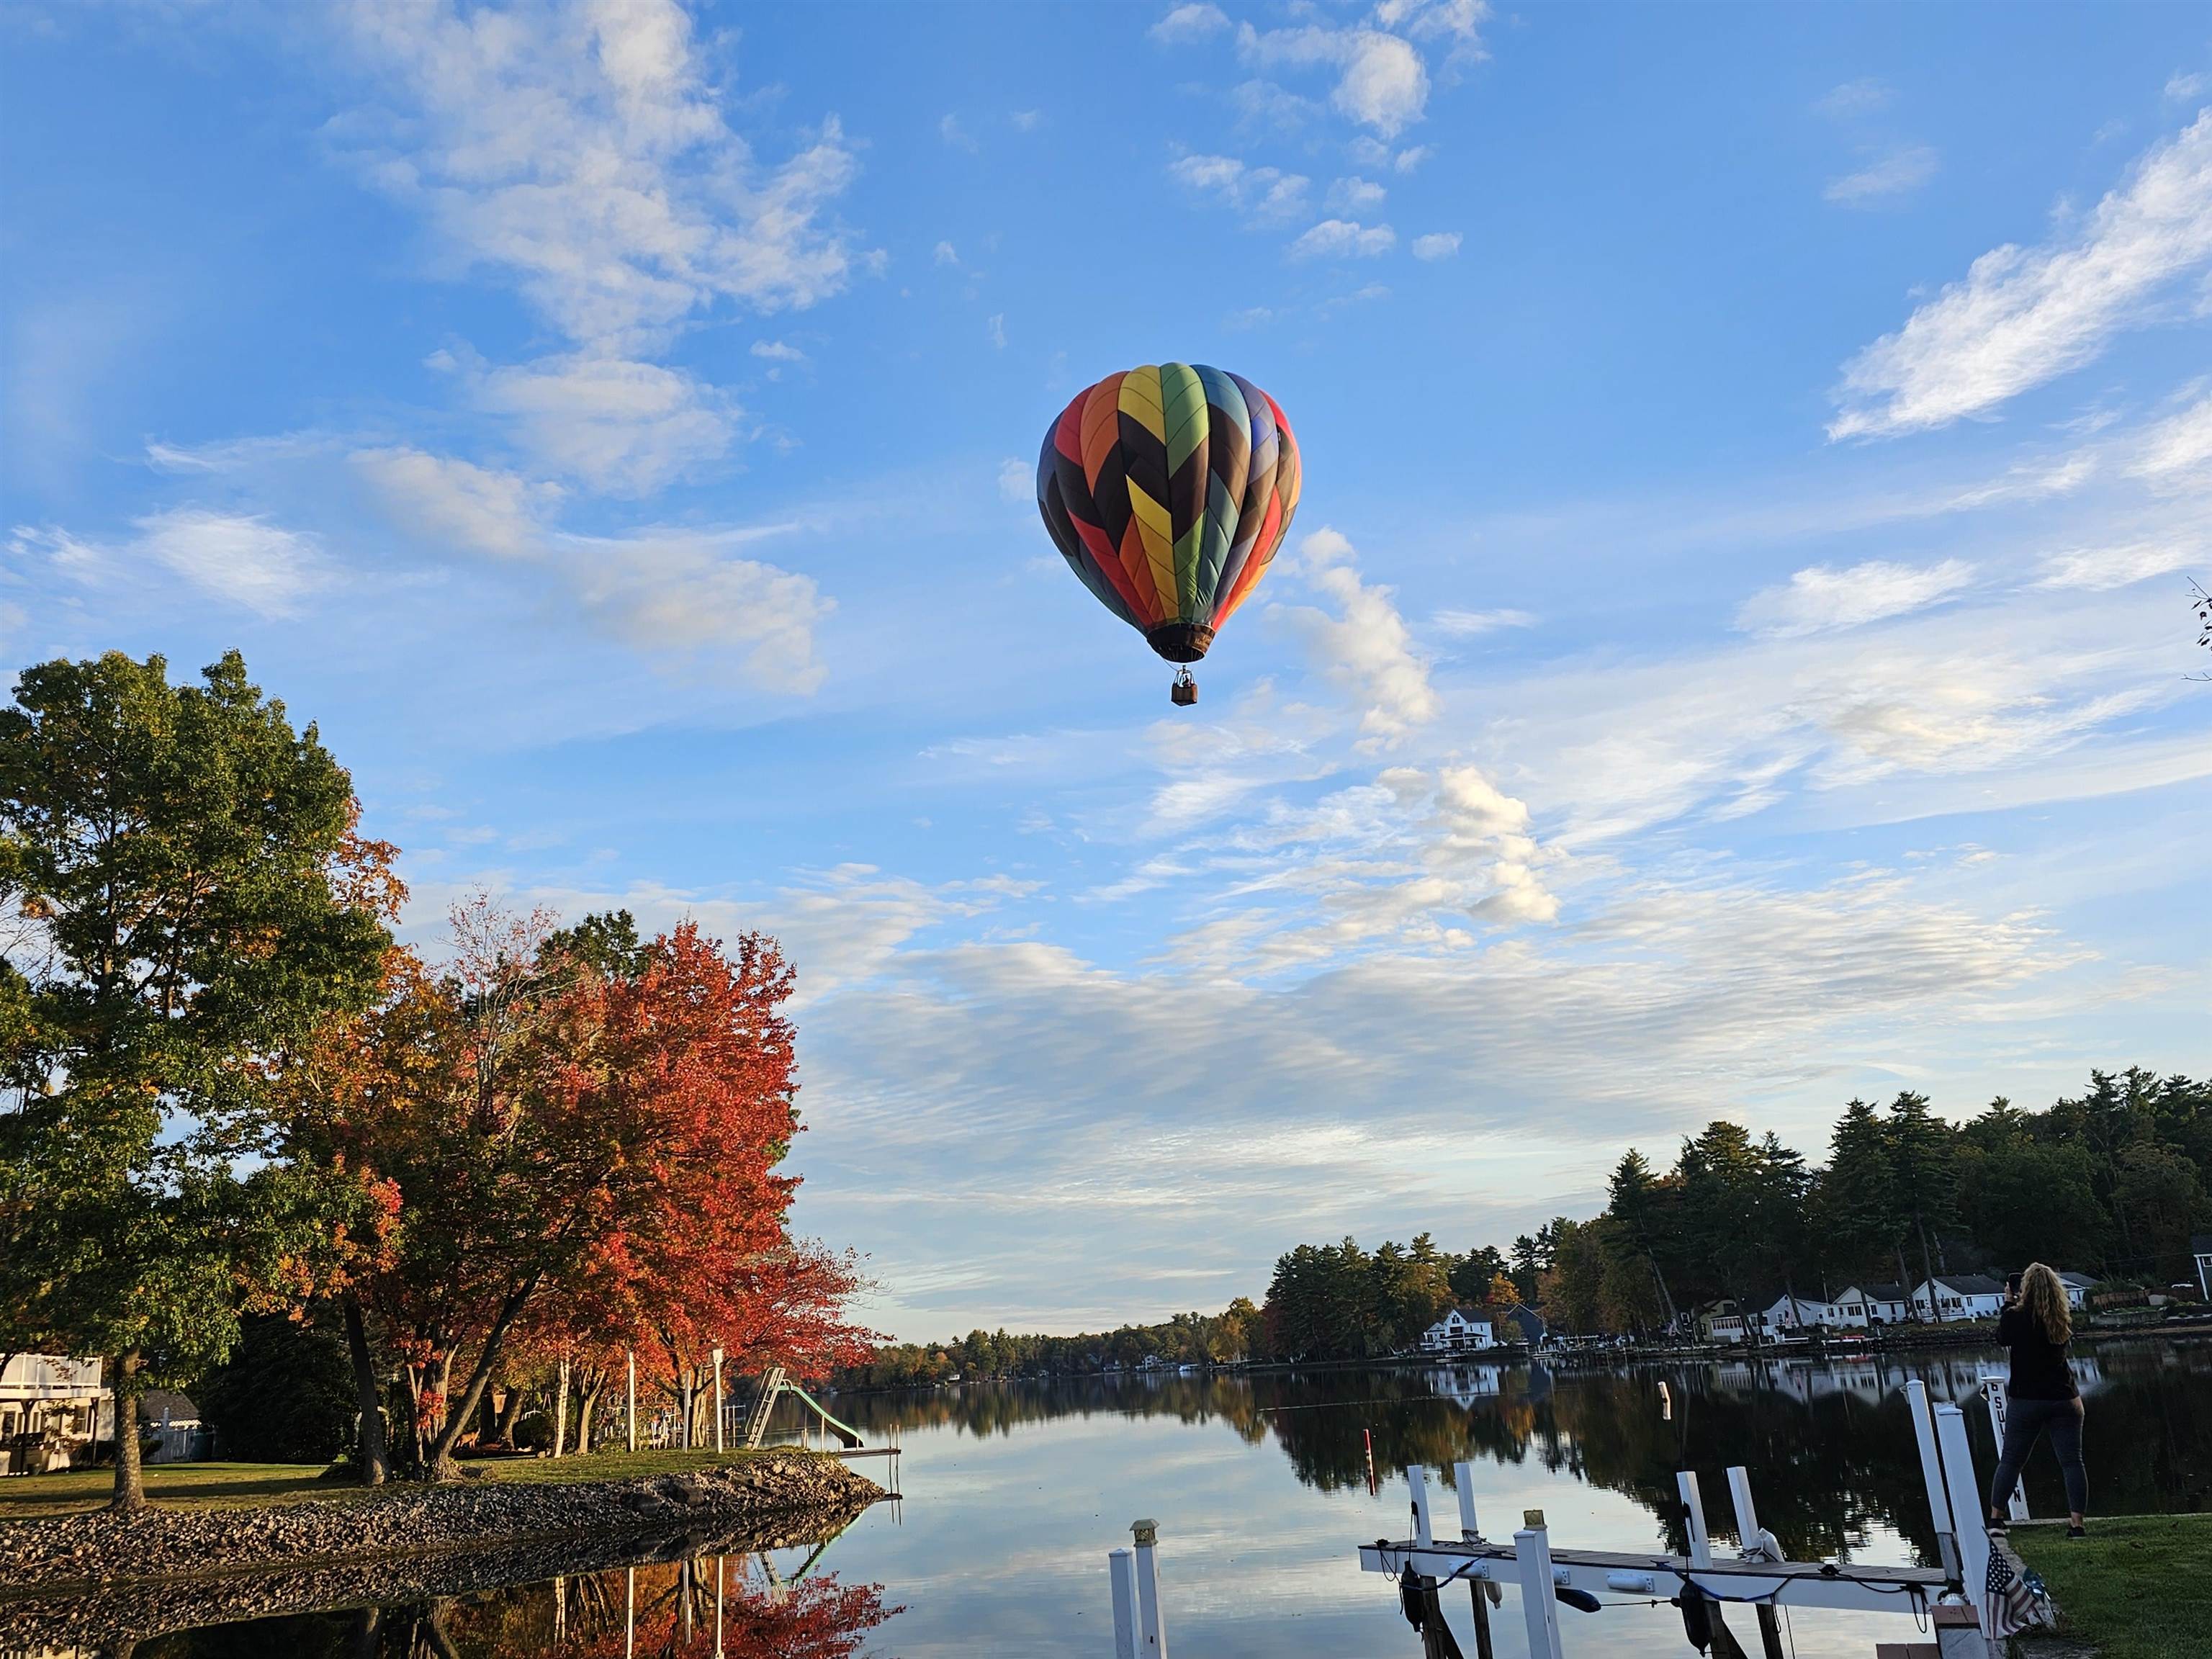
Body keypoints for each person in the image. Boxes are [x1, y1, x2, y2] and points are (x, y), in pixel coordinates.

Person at [1987, 1262, 2087, 1538]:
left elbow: (2002, 1338)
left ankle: (1996, 1520)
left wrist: (2008, 1304)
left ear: (2024, 1289)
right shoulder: (2061, 1317)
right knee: (2072, 1462)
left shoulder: (2016, 1317)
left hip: (2026, 1400)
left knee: (2011, 1460)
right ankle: (2076, 1524)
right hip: (2065, 1398)